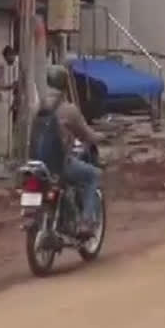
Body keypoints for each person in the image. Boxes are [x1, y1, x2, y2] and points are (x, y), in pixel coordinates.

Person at [45, 67, 103, 235]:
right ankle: (86, 222)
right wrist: (101, 137)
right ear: (64, 85)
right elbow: (87, 134)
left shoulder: (37, 106)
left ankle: (64, 214)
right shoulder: (69, 110)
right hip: (59, 164)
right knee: (93, 175)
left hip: (37, 164)